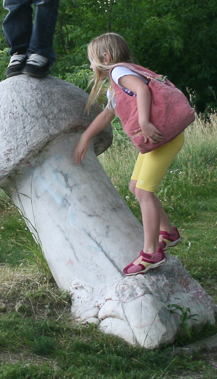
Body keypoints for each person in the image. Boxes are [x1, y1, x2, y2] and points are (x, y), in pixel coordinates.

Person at [73, 32, 184, 276]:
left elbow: (143, 91)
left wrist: (143, 122)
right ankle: (168, 232)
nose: (91, 65)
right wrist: (85, 137)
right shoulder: (118, 83)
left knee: (144, 191)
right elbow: (107, 115)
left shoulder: (118, 72)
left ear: (106, 56)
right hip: (159, 139)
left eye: (91, 60)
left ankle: (151, 253)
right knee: (136, 187)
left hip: (161, 138)